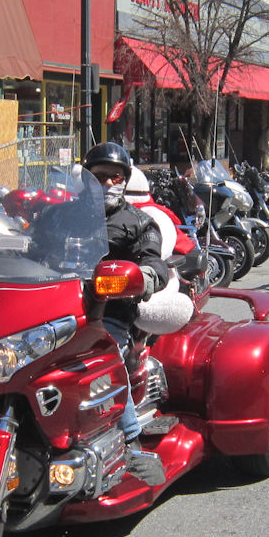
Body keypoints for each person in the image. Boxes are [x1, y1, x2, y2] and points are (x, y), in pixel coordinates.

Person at [83, 142, 170, 484]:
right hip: (57, 308)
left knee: (103, 356)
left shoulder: (139, 223)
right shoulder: (61, 215)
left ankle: (130, 442)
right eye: (99, 176)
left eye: (114, 176)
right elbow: (31, 243)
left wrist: (144, 277)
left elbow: (155, 264)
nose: (107, 182)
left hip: (109, 313)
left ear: (125, 179)